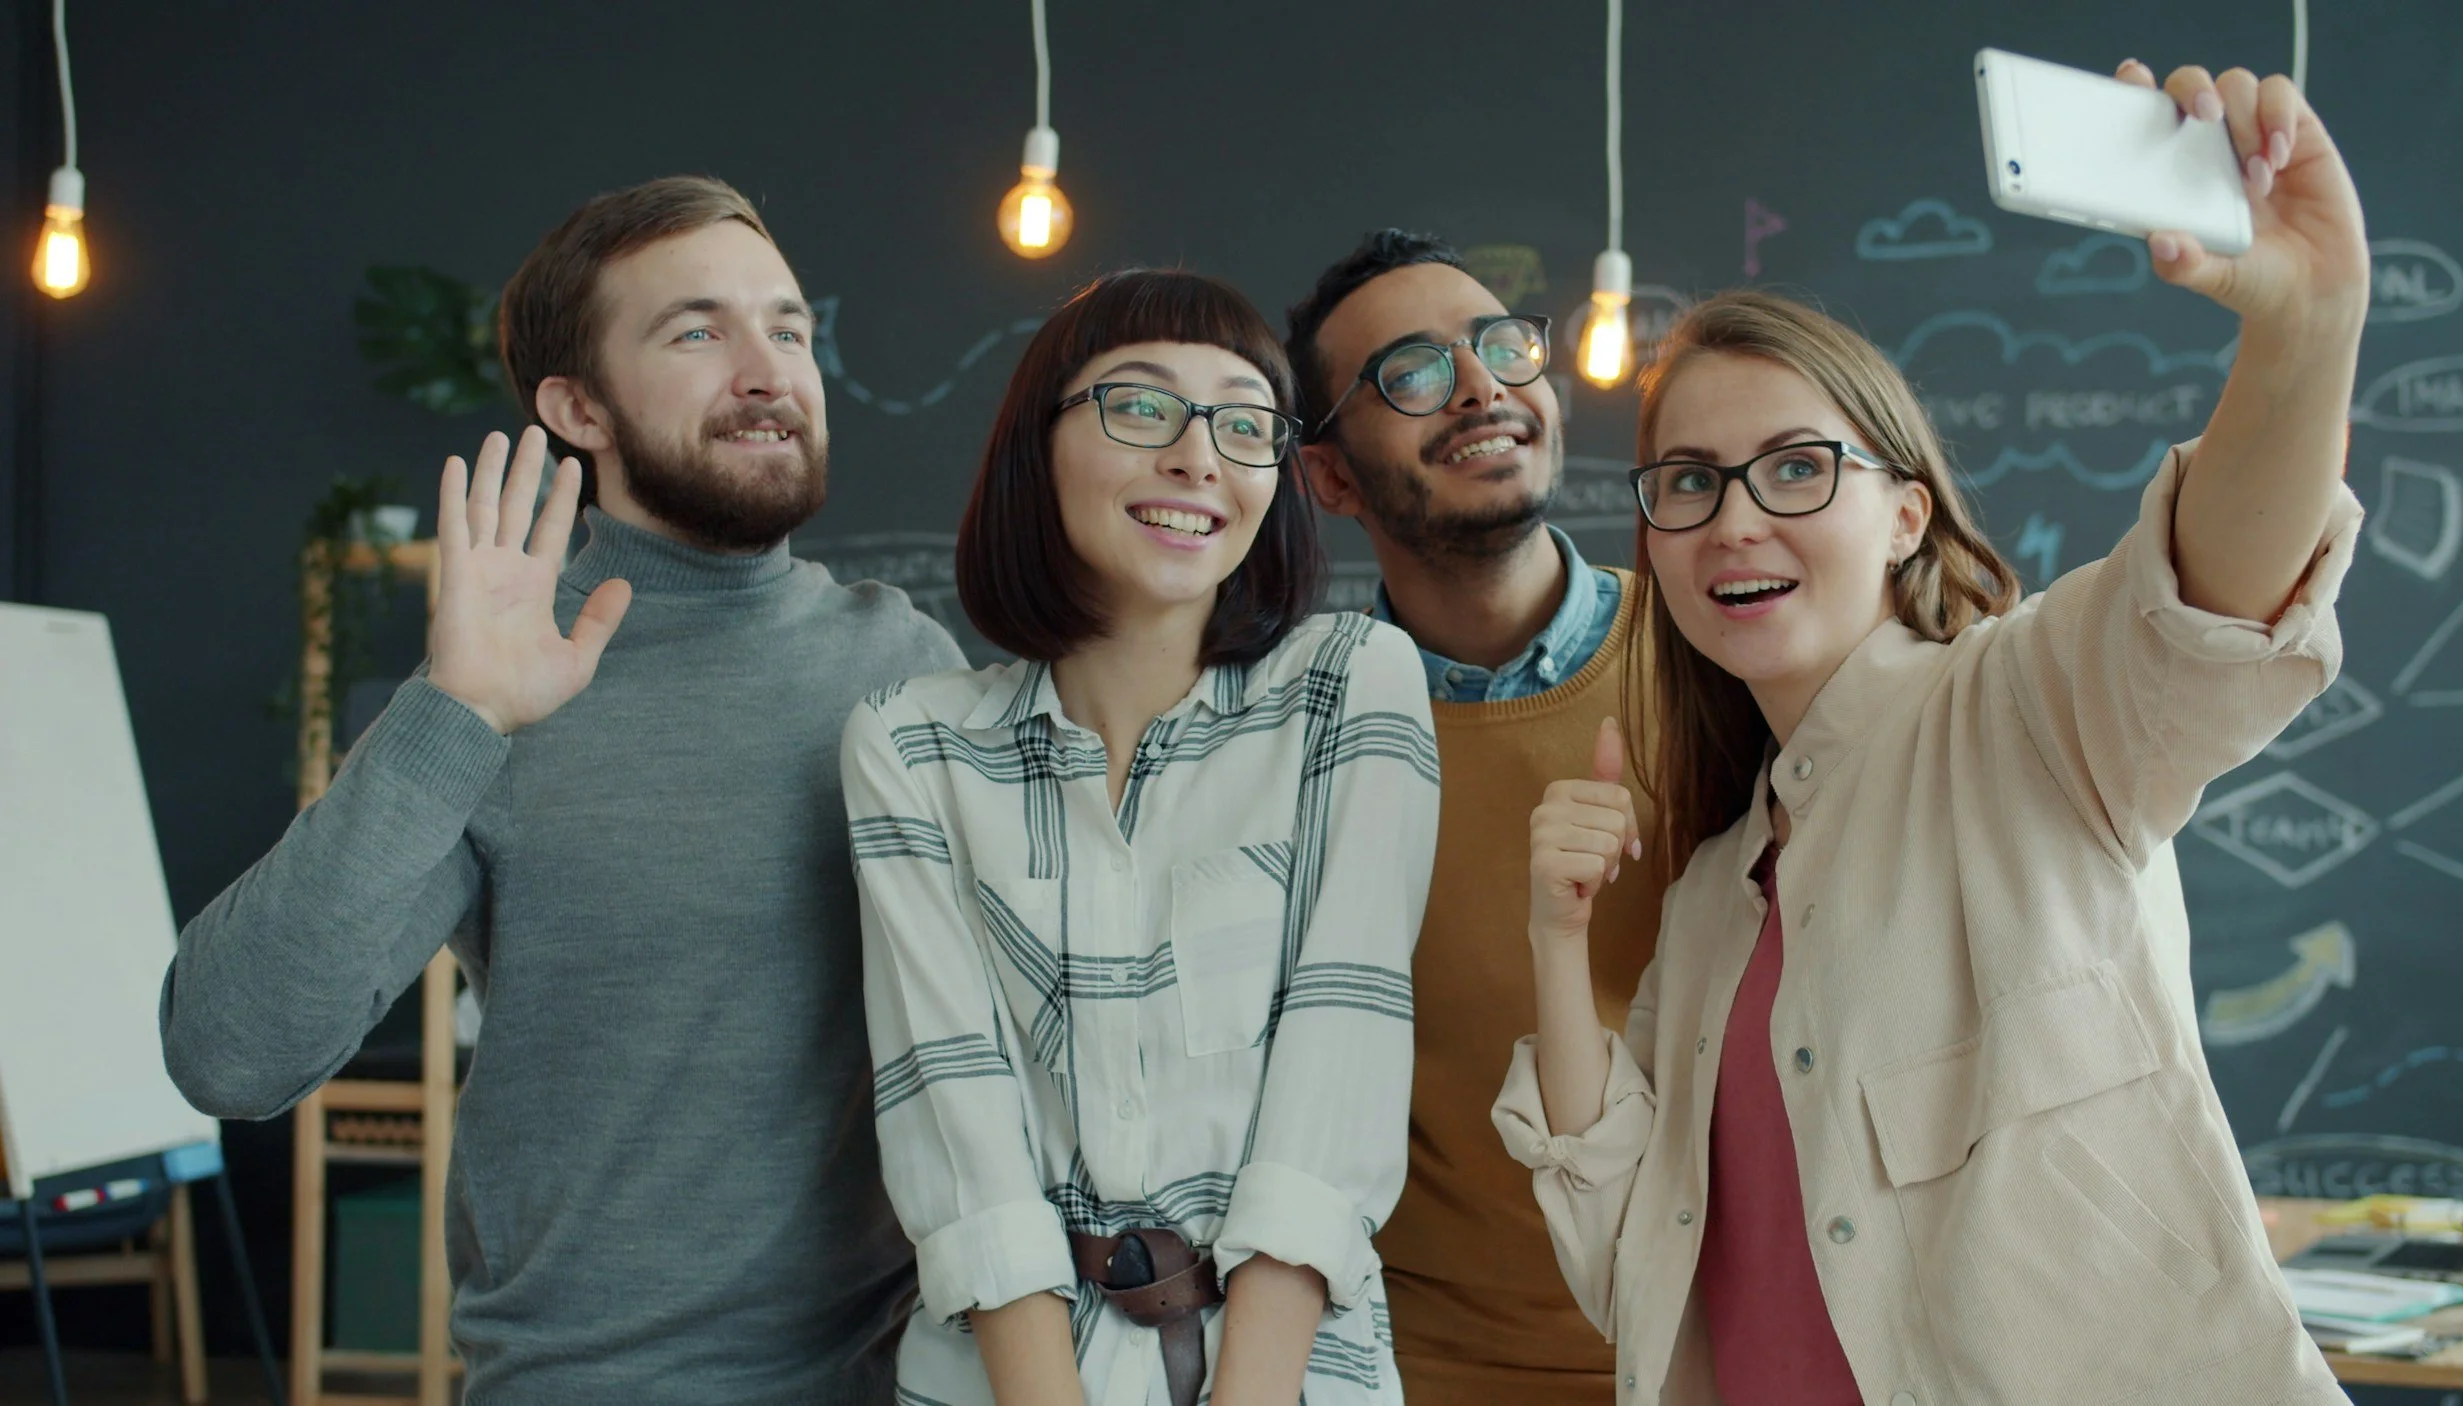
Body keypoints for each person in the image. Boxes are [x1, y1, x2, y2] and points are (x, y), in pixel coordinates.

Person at [1501, 59, 2366, 1404]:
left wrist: (2307, 328)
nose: (1735, 520)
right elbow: (1628, 1272)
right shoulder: (1716, 901)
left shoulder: (2021, 713)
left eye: (1796, 468)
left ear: (1906, 515)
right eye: (1689, 482)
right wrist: (1558, 942)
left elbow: (2208, 603)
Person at [160, 177, 963, 1404]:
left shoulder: (904, 666)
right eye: (697, 331)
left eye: (788, 328)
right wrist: (458, 714)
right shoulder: (495, 687)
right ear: (576, 405)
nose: (767, 371)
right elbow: (229, 1048)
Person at [843, 268, 1439, 1406]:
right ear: (1038, 443)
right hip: (999, 1378)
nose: (1197, 456)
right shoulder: (910, 743)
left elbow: (1340, 1060)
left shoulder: (1349, 681)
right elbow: (954, 1119)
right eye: (1141, 405)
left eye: (1242, 420)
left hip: (1297, 1373)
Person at [1281, 233, 1660, 1403]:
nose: (1483, 387)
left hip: (1721, 1347)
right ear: (1333, 478)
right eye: (1411, 372)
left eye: (1501, 346)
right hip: (1421, 1372)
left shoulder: (1722, 656)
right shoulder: (1290, 733)